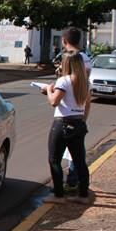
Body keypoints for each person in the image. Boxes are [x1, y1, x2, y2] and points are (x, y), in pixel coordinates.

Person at [42, 51, 91, 203]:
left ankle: (58, 195)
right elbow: (87, 105)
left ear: (66, 64)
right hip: (78, 123)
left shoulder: (63, 81)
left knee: (54, 159)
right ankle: (83, 195)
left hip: (62, 123)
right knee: (79, 161)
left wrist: (49, 91)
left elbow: (54, 102)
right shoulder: (85, 82)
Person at [61, 27, 92, 190]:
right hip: (80, 108)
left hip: (68, 110)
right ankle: (75, 178)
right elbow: (86, 88)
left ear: (64, 41)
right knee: (76, 146)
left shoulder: (71, 58)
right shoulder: (86, 58)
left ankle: (73, 178)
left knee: (72, 147)